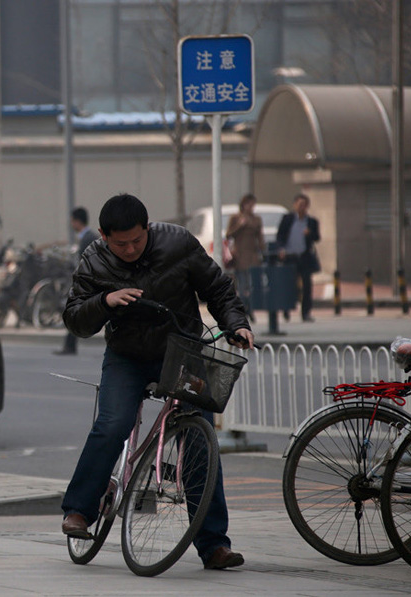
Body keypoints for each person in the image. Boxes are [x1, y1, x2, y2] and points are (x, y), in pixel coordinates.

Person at [59, 194, 254, 570]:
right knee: (112, 424)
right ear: (103, 236)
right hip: (127, 358)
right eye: (120, 243)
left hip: (183, 355)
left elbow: (218, 288)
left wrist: (237, 324)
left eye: (137, 240)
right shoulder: (94, 259)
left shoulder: (178, 242)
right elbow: (75, 320)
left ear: (148, 228)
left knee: (199, 440)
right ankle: (79, 512)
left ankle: (214, 545)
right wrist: (105, 301)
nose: (130, 249)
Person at [53, 207, 99, 356]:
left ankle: (70, 346)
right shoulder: (87, 237)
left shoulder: (88, 238)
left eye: (72, 221)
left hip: (89, 283)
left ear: (77, 221)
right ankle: (70, 345)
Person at [276, 193, 320, 323]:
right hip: (290, 257)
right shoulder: (288, 219)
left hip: (304, 257)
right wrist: (281, 249)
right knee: (289, 285)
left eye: (304, 205)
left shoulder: (311, 222)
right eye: (299, 204)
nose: (301, 207)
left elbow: (317, 237)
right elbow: (280, 236)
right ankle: (286, 310)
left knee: (307, 285)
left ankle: (306, 312)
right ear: (295, 205)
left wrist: (309, 234)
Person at [225, 193, 265, 321]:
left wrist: (262, 251)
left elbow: (260, 236)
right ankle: (244, 310)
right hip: (240, 255)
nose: (251, 207)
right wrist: (240, 225)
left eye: (252, 204)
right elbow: (228, 234)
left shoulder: (256, 219)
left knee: (252, 286)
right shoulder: (236, 218)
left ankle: (250, 309)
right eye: (248, 204)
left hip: (252, 255)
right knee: (242, 286)